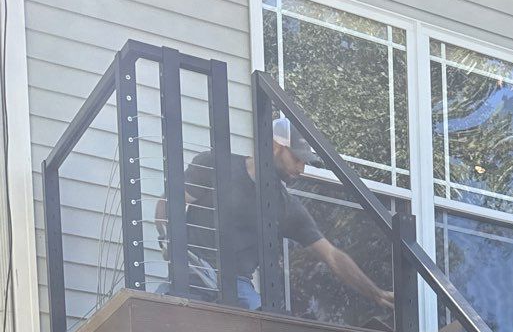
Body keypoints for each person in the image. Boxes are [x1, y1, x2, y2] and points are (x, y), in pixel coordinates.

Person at [159, 116, 394, 316]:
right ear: (274, 146)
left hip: (238, 285)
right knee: (163, 315)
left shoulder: (285, 206)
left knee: (263, 329)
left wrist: (375, 292)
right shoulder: (215, 165)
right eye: (297, 159)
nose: (301, 169)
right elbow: (168, 204)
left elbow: (331, 255)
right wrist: (169, 242)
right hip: (193, 270)